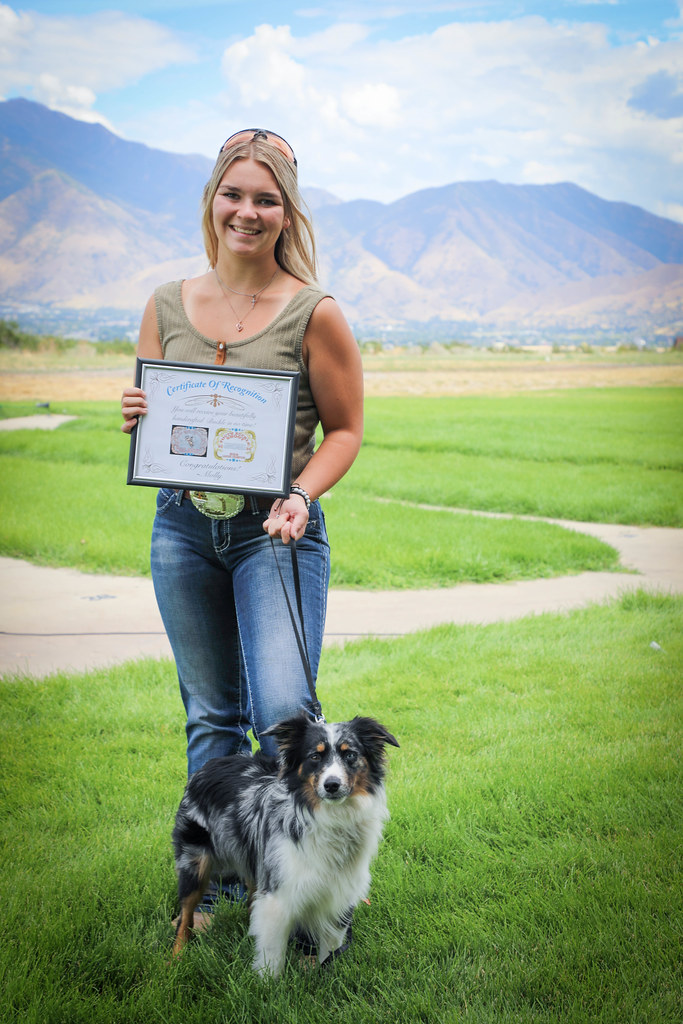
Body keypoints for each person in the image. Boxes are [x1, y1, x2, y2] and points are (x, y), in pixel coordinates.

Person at [121, 129, 363, 783]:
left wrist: (300, 497)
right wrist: (138, 418)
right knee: (209, 715)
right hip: (182, 526)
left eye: (265, 199)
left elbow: (344, 431)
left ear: (287, 212)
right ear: (211, 200)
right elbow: (158, 413)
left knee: (283, 712)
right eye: (232, 194)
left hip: (274, 530)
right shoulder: (166, 304)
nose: (246, 212)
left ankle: (300, 875)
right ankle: (223, 876)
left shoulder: (315, 312)